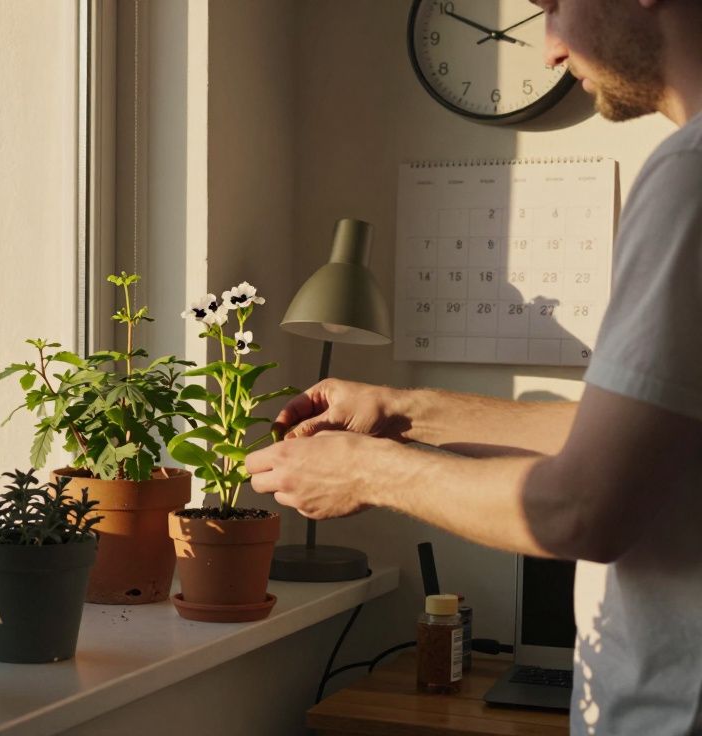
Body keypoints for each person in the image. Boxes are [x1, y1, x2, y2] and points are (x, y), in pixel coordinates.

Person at [245, 0, 702, 733]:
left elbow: (583, 508)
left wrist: (364, 471)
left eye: (552, 5)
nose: (549, 48)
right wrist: (407, 412)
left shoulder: (690, 175)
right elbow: (635, 439)